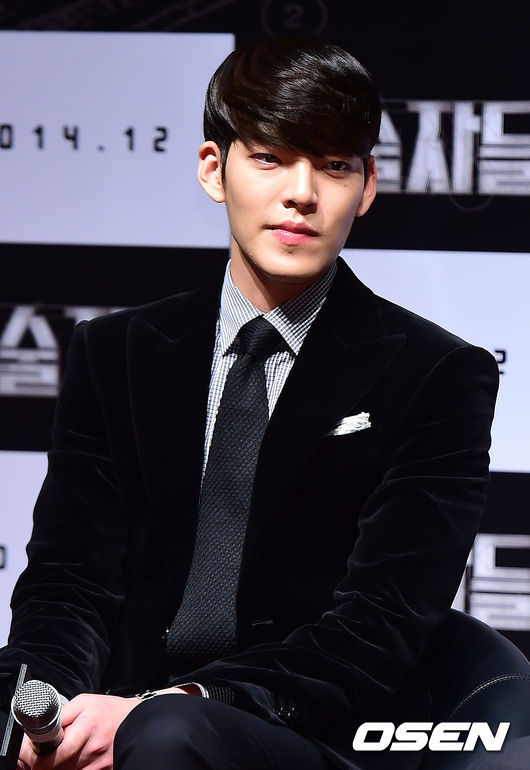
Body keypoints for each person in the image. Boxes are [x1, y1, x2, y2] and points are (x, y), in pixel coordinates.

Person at [0, 36, 499, 770]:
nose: (302, 192)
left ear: (367, 187)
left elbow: (381, 622)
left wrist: (172, 705)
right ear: (214, 168)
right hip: (115, 712)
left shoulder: (438, 374)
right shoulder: (116, 352)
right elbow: (68, 581)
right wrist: (44, 713)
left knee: (167, 736)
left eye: (333, 166)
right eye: (270, 158)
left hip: (317, 735)